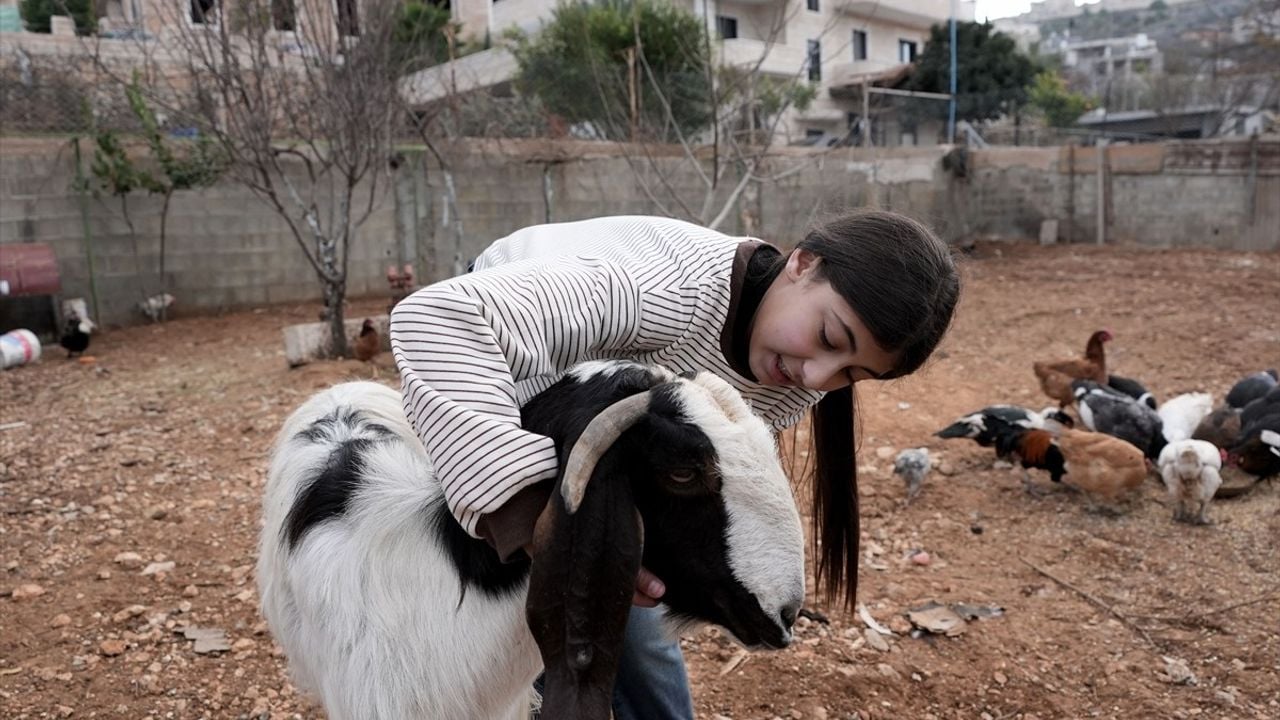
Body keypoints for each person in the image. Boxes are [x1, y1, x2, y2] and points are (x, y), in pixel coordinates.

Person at [389, 210, 960, 719]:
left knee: (634, 632)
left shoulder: (791, 373)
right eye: (829, 336)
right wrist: (540, 525)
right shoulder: (665, 291)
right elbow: (440, 322)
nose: (817, 379)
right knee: (522, 625)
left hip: (620, 455)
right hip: (519, 387)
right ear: (803, 264)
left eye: (850, 375)